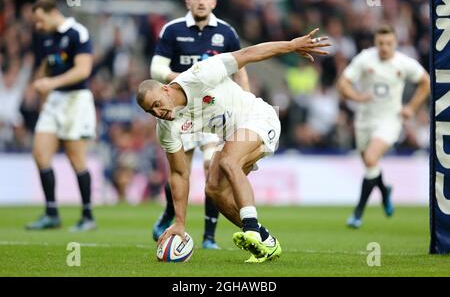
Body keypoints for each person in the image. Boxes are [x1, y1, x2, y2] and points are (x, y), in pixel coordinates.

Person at [137, 28, 330, 262]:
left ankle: (250, 228)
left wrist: (291, 45)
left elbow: (248, 54)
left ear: (166, 89)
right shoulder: (166, 127)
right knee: (214, 190)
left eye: (157, 103)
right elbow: (179, 173)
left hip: (259, 117)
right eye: (151, 111)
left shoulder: (199, 75)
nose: (158, 112)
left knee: (229, 161)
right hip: (231, 135)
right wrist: (180, 222)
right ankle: (265, 239)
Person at [149, 0, 250, 249]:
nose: (202, 1)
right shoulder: (173, 30)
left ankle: (208, 236)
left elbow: (240, 66)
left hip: (213, 109)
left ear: (214, 2)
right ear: (188, 2)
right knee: (178, 170)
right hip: (181, 111)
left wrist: (247, 99)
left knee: (210, 168)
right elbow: (157, 69)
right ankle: (171, 213)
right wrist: (189, 80)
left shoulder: (226, 32)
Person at [337, 25, 430, 229]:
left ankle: (357, 214)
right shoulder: (364, 58)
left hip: (390, 120)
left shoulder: (404, 63)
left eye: (388, 43)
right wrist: (357, 96)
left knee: (371, 158)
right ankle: (385, 190)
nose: (384, 47)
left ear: (395, 43)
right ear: (375, 43)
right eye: (381, 43)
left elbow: (425, 82)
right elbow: (343, 84)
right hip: (364, 120)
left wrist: (412, 108)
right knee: (370, 165)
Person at [25, 0, 97, 232]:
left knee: (76, 158)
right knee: (40, 153)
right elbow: (47, 65)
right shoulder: (48, 38)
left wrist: (51, 83)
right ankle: (51, 213)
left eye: (39, 20)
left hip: (76, 100)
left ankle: (87, 216)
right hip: (55, 100)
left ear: (52, 12)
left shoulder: (78, 33)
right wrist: (40, 84)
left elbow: (83, 70)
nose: (38, 25)